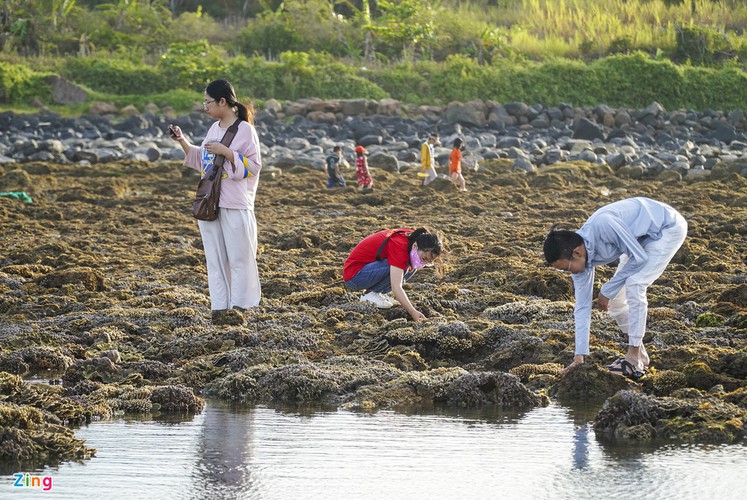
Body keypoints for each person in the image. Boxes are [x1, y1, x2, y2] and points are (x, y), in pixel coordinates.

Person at [543, 197, 687, 380]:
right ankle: (642, 354)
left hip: (666, 227)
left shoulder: (604, 225)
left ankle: (633, 358)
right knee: (618, 300)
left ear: (577, 253)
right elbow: (582, 307)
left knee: (635, 284)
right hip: (638, 240)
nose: (567, 273)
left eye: (565, 268)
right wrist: (579, 357)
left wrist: (607, 290)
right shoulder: (579, 262)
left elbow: (639, 258)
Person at [168, 78, 262, 323]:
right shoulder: (214, 129)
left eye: (208, 102)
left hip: (235, 203)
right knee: (216, 259)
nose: (205, 106)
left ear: (223, 101)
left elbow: (253, 166)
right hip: (211, 202)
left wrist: (227, 152)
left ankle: (242, 308)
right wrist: (182, 141)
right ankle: (220, 309)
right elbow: (204, 160)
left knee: (240, 258)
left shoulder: (245, 130)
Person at [343, 227, 444, 321]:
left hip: (368, 270)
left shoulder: (413, 238)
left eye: (428, 262)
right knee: (400, 265)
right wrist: (412, 311)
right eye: (424, 258)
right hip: (354, 276)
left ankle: (378, 292)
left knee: (410, 267)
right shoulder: (400, 245)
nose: (424, 263)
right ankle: (370, 294)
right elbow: (397, 287)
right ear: (415, 246)